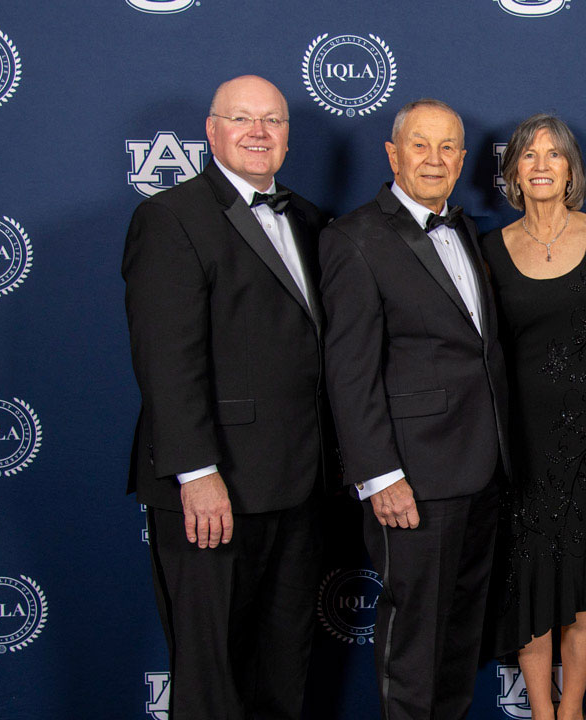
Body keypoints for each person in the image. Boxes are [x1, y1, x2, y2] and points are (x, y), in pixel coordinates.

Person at [122, 75, 334, 719]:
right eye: (242, 118)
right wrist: (198, 472)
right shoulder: (170, 218)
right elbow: (166, 361)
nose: (258, 132)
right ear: (211, 131)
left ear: (289, 137)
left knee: (282, 666)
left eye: (272, 120)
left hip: (298, 485)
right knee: (211, 675)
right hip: (214, 490)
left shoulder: (308, 218)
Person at [318, 98, 508, 720]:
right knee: (414, 641)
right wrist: (380, 475)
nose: (435, 159)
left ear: (463, 159)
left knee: (458, 640)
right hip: (413, 477)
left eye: (448, 147)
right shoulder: (353, 238)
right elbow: (350, 372)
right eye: (420, 145)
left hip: (482, 470)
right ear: (392, 154)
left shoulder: (469, 230)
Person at [480, 114, 586, 720]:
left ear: (572, 169)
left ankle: (571, 710)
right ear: (512, 171)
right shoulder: (489, 249)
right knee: (529, 581)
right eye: (529, 155)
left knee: (584, 582)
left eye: (555, 154)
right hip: (519, 443)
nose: (543, 164)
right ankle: (540, 713)